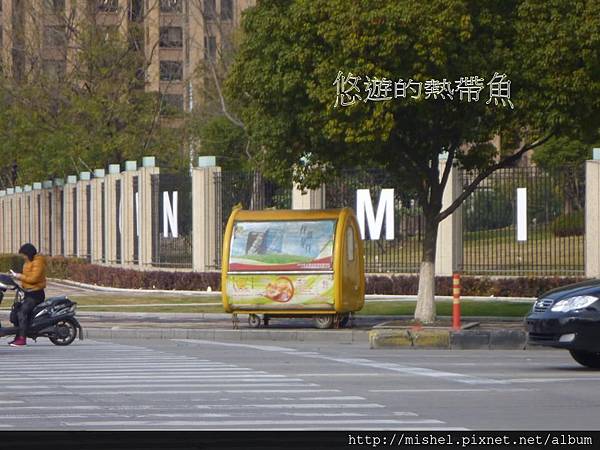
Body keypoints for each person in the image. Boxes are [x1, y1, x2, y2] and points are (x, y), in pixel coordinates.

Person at [8, 244, 46, 347]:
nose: (23, 257)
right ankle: (18, 336)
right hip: (28, 292)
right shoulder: (28, 261)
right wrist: (16, 278)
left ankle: (22, 339)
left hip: (36, 294)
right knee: (16, 312)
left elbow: (34, 279)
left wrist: (19, 276)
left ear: (28, 253)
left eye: (23, 255)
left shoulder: (38, 262)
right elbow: (26, 276)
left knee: (22, 313)